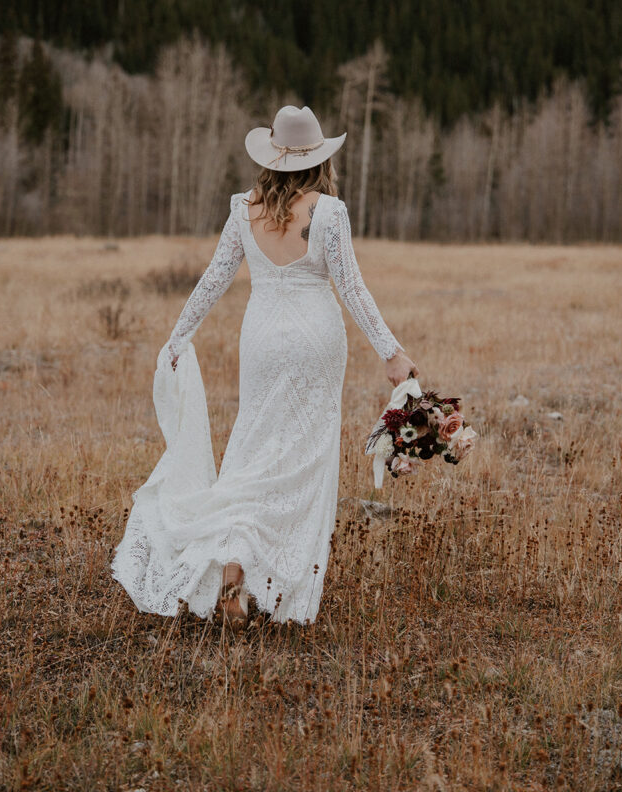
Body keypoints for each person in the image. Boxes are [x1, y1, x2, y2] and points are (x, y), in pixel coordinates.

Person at [111, 105, 419, 628]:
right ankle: (275, 582)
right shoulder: (329, 212)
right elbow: (352, 289)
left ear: (272, 157)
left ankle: (234, 572)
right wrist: (391, 352)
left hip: (260, 341)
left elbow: (213, 279)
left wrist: (178, 335)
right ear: (318, 159)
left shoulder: (244, 210)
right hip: (315, 342)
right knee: (300, 459)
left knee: (251, 456)